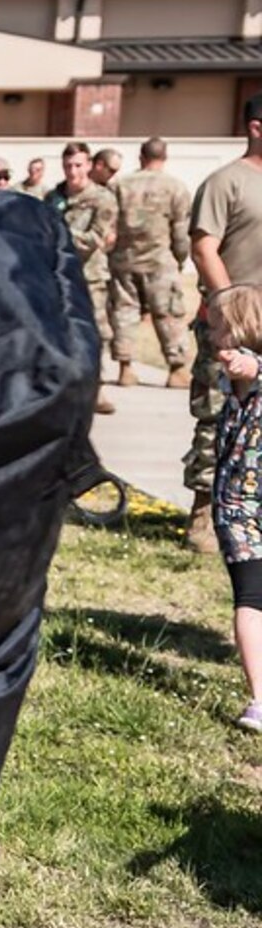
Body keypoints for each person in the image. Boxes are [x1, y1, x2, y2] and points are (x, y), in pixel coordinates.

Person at [186, 94, 262, 553]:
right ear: (256, 127)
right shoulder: (225, 181)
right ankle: (202, 511)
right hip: (232, 323)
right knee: (218, 413)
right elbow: (203, 248)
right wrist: (230, 307)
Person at [206, 285, 262, 731]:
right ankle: (261, 700)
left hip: (239, 502)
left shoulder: (245, 367)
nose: (210, 338)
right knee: (252, 597)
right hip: (238, 506)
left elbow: (247, 364)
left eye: (215, 328)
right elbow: (239, 365)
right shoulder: (233, 371)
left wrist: (254, 362)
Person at [110, 136, 194, 390]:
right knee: (168, 314)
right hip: (160, 261)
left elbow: (110, 224)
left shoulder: (120, 185)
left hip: (124, 260)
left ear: (141, 157)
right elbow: (181, 233)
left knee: (124, 313)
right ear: (164, 158)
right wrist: (179, 259)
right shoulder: (176, 187)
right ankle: (177, 369)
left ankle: (125, 368)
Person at [52, 141, 119, 415]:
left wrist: (60, 232)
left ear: (89, 165)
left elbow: (94, 239)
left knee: (95, 333)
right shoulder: (53, 197)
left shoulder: (102, 199)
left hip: (90, 276)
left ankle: (97, 388)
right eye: (68, 166)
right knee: (58, 331)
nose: (73, 171)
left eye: (78, 165)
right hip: (57, 275)